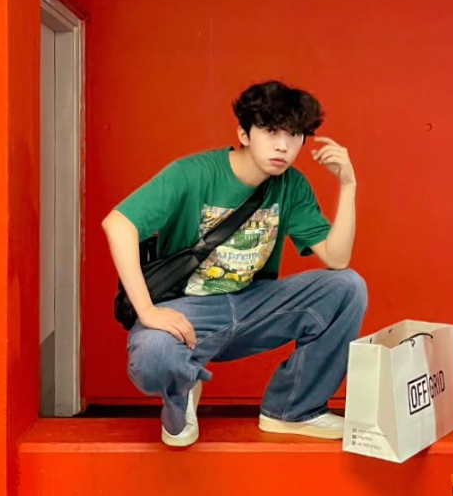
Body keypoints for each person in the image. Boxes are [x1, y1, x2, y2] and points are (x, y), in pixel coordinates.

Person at [102, 80, 367, 447]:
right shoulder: (193, 173)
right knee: (151, 357)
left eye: (294, 135)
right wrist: (147, 310)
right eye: (271, 131)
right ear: (243, 134)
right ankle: (183, 389)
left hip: (252, 304)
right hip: (190, 311)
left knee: (347, 286)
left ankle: (293, 409)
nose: (283, 145)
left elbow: (337, 258)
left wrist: (349, 185)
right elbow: (118, 223)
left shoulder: (291, 185)